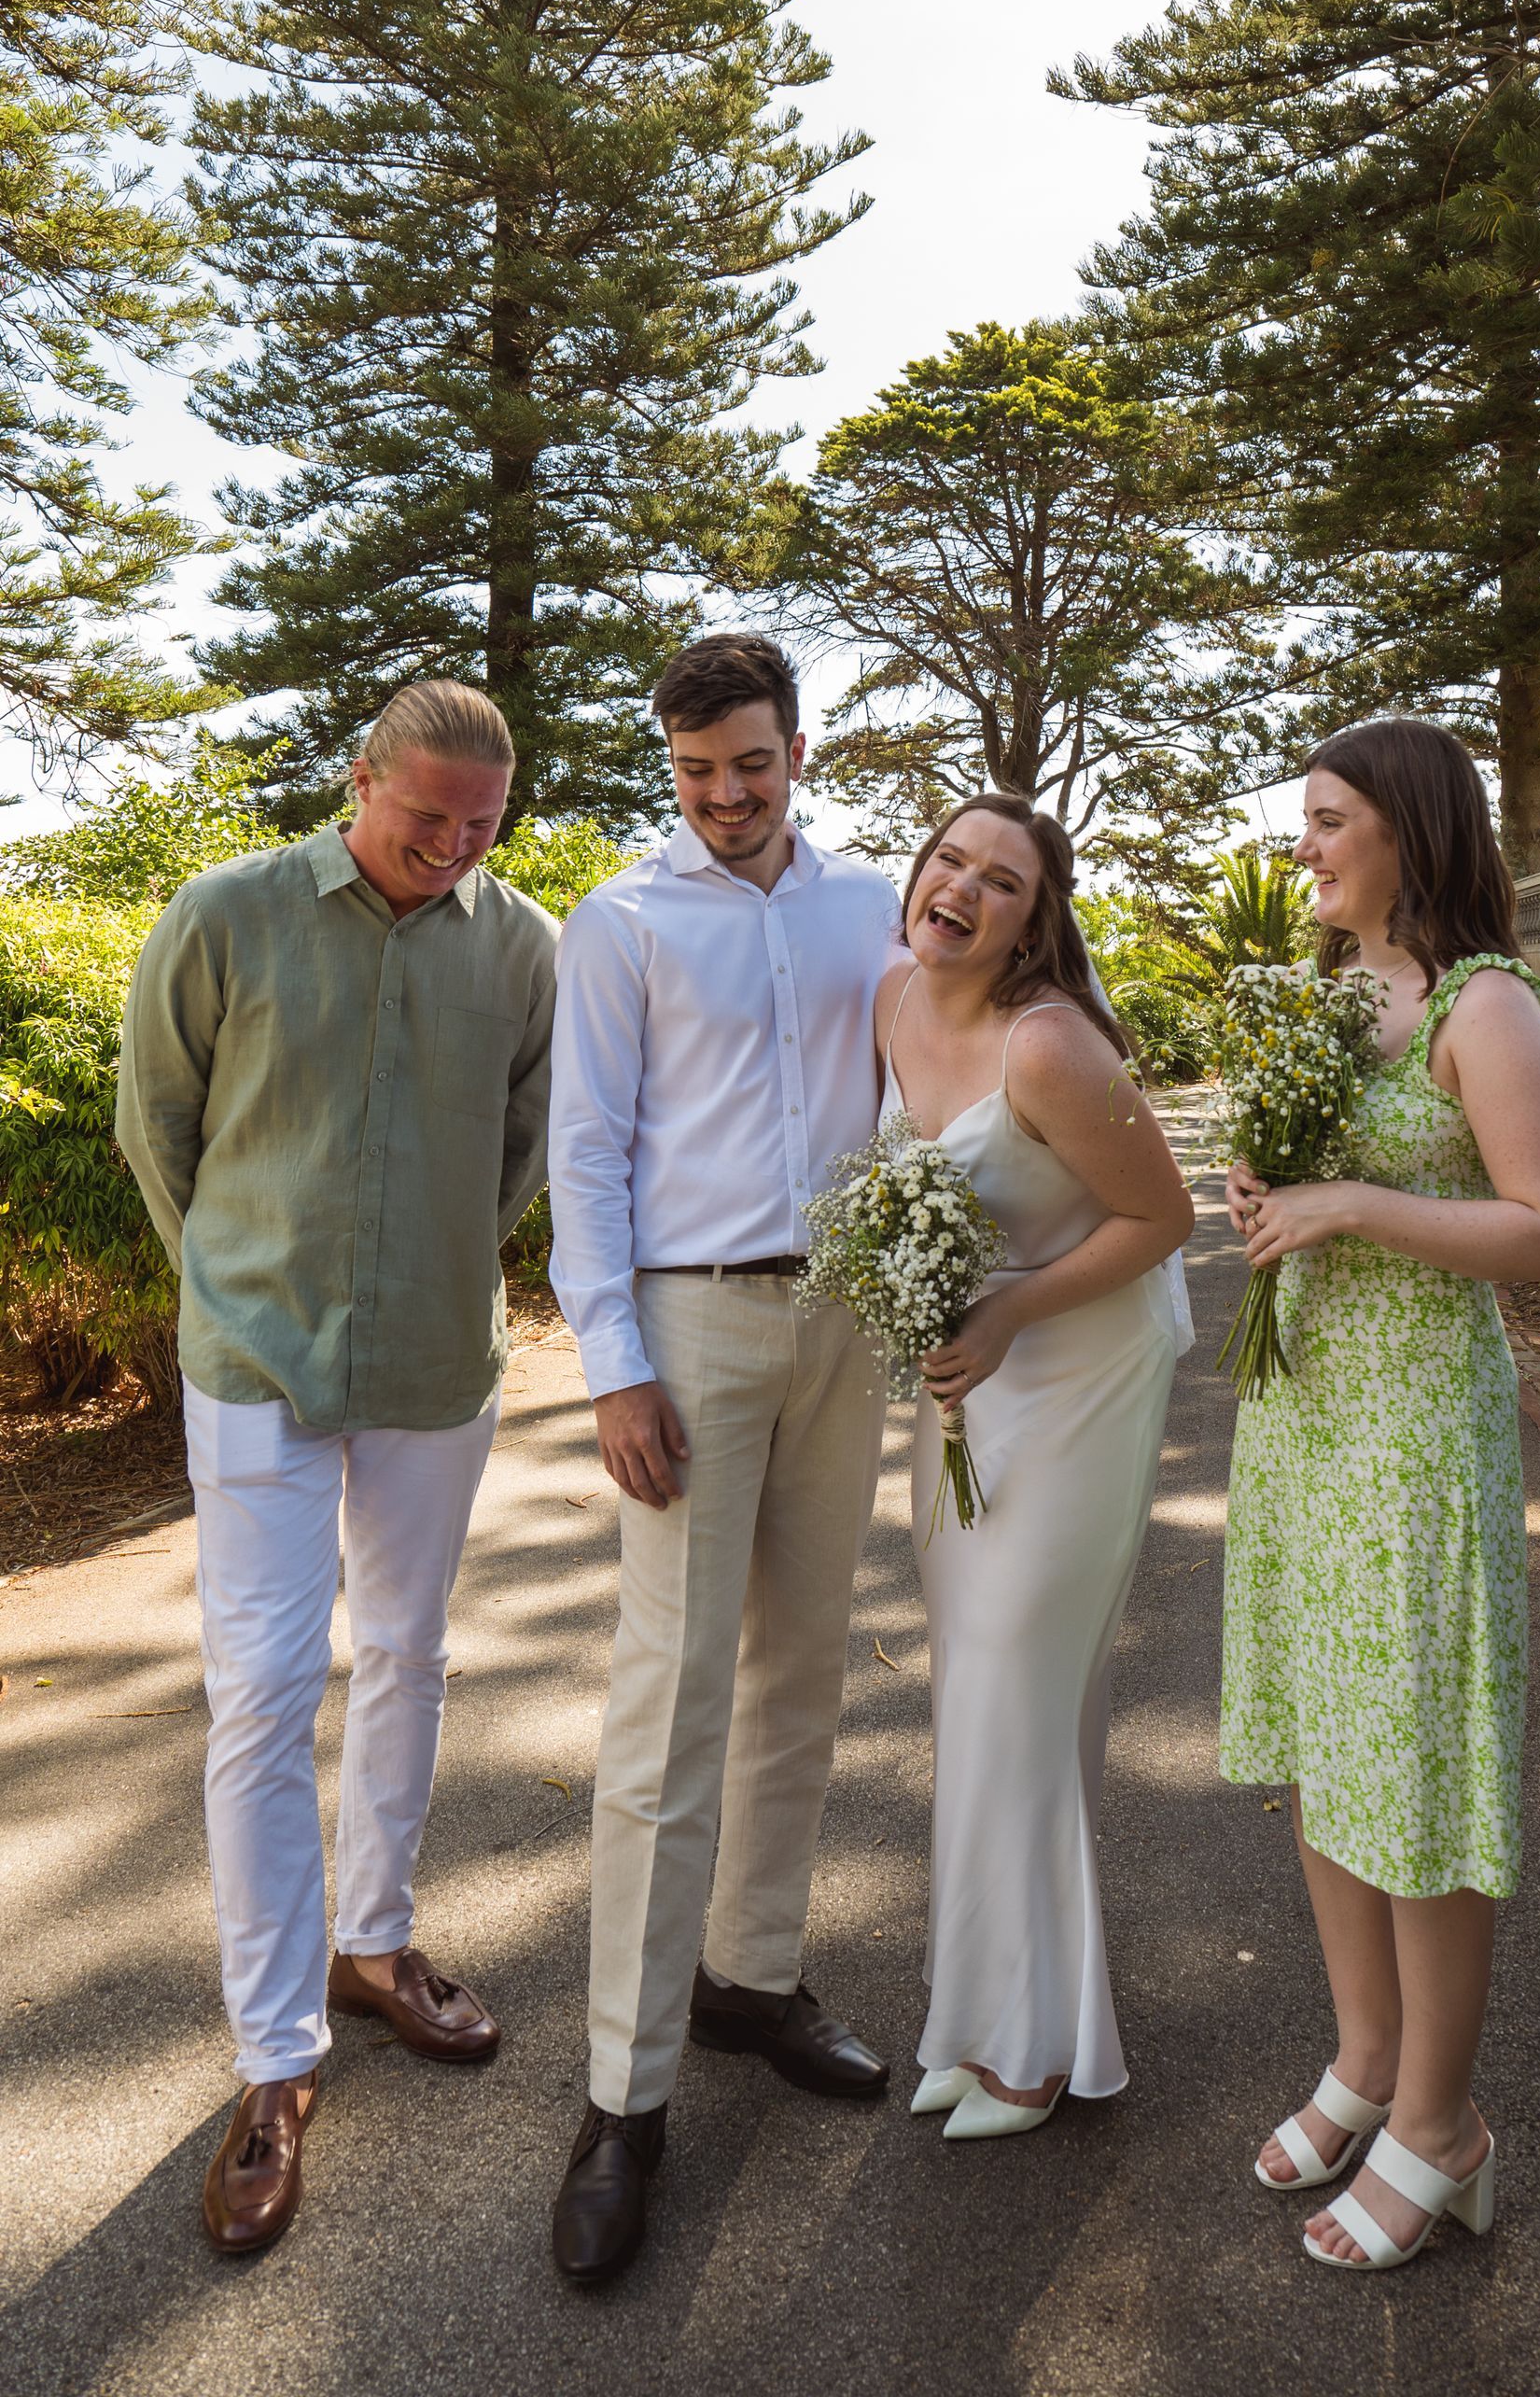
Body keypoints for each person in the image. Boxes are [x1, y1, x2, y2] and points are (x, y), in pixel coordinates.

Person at [115, 680, 558, 2254]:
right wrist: (230, 1279)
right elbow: (156, 1124)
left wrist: (444, 1264)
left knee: (413, 1654)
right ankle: (274, 2060)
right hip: (256, 1365)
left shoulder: (524, 947)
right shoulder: (225, 913)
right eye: (421, 813)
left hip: (437, 1361)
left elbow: (525, 1138)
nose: (447, 846)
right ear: (357, 779)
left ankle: (372, 1947)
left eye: (478, 827)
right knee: (260, 1688)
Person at [545, 631, 904, 2288]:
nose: (727, 796)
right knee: (668, 1700)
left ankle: (753, 1978)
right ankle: (627, 2092)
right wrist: (617, 1370)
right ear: (670, 770)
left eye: (751, 764)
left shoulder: (869, 905)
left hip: (844, 1324)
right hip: (690, 1333)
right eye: (696, 773)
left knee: (805, 1673)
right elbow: (590, 1158)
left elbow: (927, 1092)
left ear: (798, 749)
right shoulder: (617, 925)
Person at [1221, 719, 1540, 2272]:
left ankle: (1443, 2122)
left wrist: (1354, 1203)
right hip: (1302, 1428)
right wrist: (1267, 1201)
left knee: (1418, 1773)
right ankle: (1364, 2058)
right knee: (1327, 1748)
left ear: (1409, 830)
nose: (1301, 844)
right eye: (1302, 820)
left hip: (1415, 1441)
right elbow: (1302, 1192)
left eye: (1326, 819)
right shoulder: (1326, 994)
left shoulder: (1482, 1006)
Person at [873, 793, 1194, 2140]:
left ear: (1032, 919)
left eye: (999, 882)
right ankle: (983, 2011)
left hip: (1078, 1377)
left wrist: (1003, 1312)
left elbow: (1163, 1217)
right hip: (967, 1392)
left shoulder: (1051, 1047)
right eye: (948, 859)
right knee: (986, 1699)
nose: (961, 888)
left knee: (1014, 1678)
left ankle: (1035, 2050)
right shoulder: (893, 999)